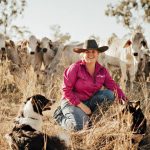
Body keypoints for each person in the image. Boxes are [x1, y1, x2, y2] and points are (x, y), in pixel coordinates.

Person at [53, 39, 127, 131]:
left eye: (93, 51)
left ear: (98, 54)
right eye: (87, 52)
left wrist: (125, 101)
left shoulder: (102, 71)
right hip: (71, 102)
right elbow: (65, 91)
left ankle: (93, 121)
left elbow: (114, 87)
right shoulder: (75, 68)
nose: (90, 54)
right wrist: (81, 106)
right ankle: (59, 117)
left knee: (109, 94)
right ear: (82, 54)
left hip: (89, 101)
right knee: (80, 127)